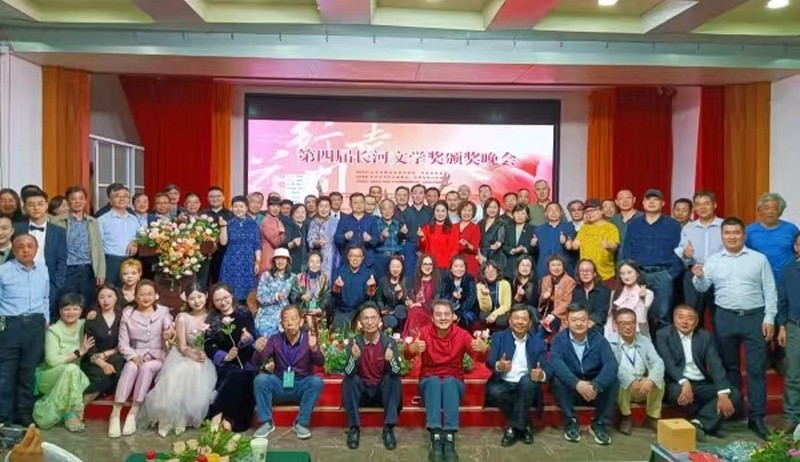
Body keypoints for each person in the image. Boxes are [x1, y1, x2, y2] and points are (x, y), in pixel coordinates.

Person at [692, 217, 776, 439]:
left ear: (743, 235)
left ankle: (757, 418)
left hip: (755, 318)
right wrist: (699, 277)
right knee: (729, 367)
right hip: (725, 318)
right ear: (722, 236)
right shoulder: (713, 260)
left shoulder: (759, 259)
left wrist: (769, 318)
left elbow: (770, 289)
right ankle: (735, 410)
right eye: (727, 233)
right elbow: (703, 287)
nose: (732, 237)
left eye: (736, 232)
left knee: (756, 369)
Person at [405, 299, 489, 462]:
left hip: (454, 382)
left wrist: (484, 349)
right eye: (438, 314)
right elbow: (407, 355)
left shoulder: (462, 334)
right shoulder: (424, 332)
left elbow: (480, 357)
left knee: (449, 382)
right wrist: (412, 349)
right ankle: (435, 436)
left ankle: (449, 437)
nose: (443, 318)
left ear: (453, 317)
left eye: (446, 314)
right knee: (434, 381)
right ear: (432, 317)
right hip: (429, 382)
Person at [139, 283, 216, 437]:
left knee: (196, 370)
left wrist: (202, 355)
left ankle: (183, 418)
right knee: (180, 372)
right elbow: (182, 346)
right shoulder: (183, 317)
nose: (197, 301)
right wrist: (192, 355)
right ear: (186, 300)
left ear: (206, 296)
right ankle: (166, 418)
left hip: (205, 356)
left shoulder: (213, 317)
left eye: (200, 297)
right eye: (192, 298)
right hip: (184, 354)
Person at [655, 305, 741, 440]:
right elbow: (668, 363)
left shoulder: (705, 336)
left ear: (696, 322)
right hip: (676, 382)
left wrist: (722, 393)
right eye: (680, 317)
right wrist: (684, 382)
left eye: (690, 318)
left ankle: (698, 423)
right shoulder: (663, 334)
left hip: (701, 382)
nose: (684, 322)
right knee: (679, 394)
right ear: (674, 318)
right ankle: (707, 421)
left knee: (733, 394)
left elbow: (715, 364)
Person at [109, 280, 174, 438]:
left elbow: (169, 328)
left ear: (155, 295)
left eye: (150, 294)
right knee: (131, 366)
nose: (146, 298)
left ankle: (134, 411)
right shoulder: (128, 313)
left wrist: (170, 332)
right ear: (135, 296)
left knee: (147, 367)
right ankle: (115, 412)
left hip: (159, 356)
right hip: (136, 353)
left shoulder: (163, 311)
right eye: (142, 294)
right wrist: (133, 356)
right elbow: (123, 343)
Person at [252, 305, 325, 440]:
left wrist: (314, 349)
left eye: (293, 318)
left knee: (316, 382)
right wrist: (258, 351)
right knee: (260, 380)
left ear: (301, 321)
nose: (290, 323)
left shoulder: (308, 339)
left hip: (301, 386)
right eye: (286, 320)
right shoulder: (275, 339)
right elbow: (257, 362)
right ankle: (266, 423)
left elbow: (321, 363)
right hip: (279, 384)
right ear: (281, 325)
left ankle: (301, 423)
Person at [550, 304, 618, 445]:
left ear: (588, 321)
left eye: (582, 319)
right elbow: (556, 364)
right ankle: (570, 421)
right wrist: (576, 383)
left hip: (594, 389)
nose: (579, 323)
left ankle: (600, 423)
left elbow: (611, 364)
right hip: (572, 388)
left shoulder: (599, 339)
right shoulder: (559, 340)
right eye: (574, 320)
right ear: (567, 322)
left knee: (614, 380)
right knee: (557, 380)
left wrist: (596, 385)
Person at [0, 235, 49, 427]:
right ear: (14, 250)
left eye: (30, 246)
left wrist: (45, 318)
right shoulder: (3, 271)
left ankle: (24, 414)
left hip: (35, 325)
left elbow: (45, 297)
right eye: (21, 246)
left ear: (36, 248)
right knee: (6, 373)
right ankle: (4, 417)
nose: (26, 250)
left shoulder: (43, 269)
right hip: (10, 325)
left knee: (28, 373)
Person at [485, 305, 550, 447]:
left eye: (524, 319)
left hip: (527, 384)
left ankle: (513, 429)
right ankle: (524, 425)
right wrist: (499, 365)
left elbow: (547, 366)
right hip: (504, 382)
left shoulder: (538, 341)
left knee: (527, 382)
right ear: (510, 321)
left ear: (530, 323)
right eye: (516, 318)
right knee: (494, 391)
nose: (520, 322)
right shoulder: (499, 337)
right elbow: (490, 361)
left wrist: (541, 374)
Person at [342, 303, 402, 450]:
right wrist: (353, 358)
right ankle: (354, 428)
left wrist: (391, 360)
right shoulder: (355, 342)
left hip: (381, 392)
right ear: (360, 322)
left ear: (380, 321)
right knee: (350, 380)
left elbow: (396, 372)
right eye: (366, 318)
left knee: (392, 379)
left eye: (373, 318)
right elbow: (348, 372)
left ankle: (388, 429)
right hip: (362, 392)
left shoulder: (389, 342)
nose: (369, 322)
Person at [621, 189, 681, 330]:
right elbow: (627, 250)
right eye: (648, 199)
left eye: (656, 199)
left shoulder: (673, 225)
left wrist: (670, 275)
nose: (652, 202)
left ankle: (661, 345)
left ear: (663, 203)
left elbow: (679, 251)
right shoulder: (633, 225)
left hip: (663, 274)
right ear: (643, 203)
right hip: (639, 275)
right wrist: (629, 274)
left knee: (662, 316)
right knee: (638, 314)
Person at [32, 293, 91, 431]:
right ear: (60, 311)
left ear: (81, 310)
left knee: (73, 371)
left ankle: (70, 413)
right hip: (48, 376)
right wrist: (78, 352)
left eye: (75, 309)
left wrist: (94, 314)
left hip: (73, 376)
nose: (71, 313)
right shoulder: (53, 330)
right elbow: (51, 361)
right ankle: (70, 414)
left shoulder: (84, 325)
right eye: (67, 309)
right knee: (71, 369)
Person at [205, 283, 259, 433]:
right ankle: (223, 417)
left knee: (246, 375)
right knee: (235, 375)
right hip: (226, 363)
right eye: (218, 300)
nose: (223, 302)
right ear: (213, 302)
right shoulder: (212, 319)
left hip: (245, 358)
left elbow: (253, 336)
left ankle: (226, 417)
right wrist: (226, 357)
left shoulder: (244, 313)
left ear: (232, 296)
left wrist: (245, 340)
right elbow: (208, 346)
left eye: (225, 298)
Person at [607, 308, 664, 435]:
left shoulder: (644, 341)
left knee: (659, 378)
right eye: (623, 323)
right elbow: (613, 366)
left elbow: (658, 362)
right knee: (619, 380)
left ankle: (652, 416)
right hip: (624, 388)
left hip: (643, 385)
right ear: (615, 325)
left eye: (631, 323)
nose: (628, 327)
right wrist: (630, 380)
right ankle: (626, 416)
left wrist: (650, 380)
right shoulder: (609, 343)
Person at [16, 189, 67, 318]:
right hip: (20, 281)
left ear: (46, 205)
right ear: (25, 208)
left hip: (48, 282)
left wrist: (57, 285)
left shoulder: (59, 231)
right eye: (31, 205)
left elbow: (62, 260)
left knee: (47, 318)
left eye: (40, 204)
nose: (36, 208)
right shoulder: (16, 229)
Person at [675, 190, 723, 327]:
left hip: (719, 275)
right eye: (698, 204)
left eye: (706, 203)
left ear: (714, 205)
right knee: (692, 316)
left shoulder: (724, 226)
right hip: (694, 273)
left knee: (720, 317)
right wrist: (686, 255)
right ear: (695, 208)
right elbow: (683, 256)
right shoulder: (688, 229)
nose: (702, 207)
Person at [53, 185, 105, 310]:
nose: (77, 202)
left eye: (81, 198)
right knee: (66, 303)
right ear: (67, 201)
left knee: (86, 303)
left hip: (87, 269)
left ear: (85, 201)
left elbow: (98, 248)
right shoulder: (57, 221)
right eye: (73, 199)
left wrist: (100, 272)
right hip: (66, 269)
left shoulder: (92, 221)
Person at [81, 285, 125, 405]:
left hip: (115, 357)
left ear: (116, 298)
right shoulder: (92, 319)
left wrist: (106, 354)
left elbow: (125, 343)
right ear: (97, 299)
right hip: (94, 360)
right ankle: (82, 404)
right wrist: (103, 364)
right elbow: (90, 348)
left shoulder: (123, 317)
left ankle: (103, 391)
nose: (106, 301)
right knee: (104, 377)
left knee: (119, 363)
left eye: (109, 296)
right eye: (101, 297)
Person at [218, 196, 262, 303]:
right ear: (231, 208)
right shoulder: (228, 223)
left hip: (248, 262)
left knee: (249, 292)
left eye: (241, 206)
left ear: (246, 208)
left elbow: (257, 244)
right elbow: (223, 242)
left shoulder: (253, 224)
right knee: (229, 291)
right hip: (231, 261)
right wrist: (223, 226)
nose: (238, 209)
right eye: (235, 206)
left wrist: (257, 262)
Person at [568, 199, 619, 286]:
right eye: (587, 212)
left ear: (601, 211)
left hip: (606, 274)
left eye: (592, 210)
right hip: (587, 274)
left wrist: (608, 245)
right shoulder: (584, 228)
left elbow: (615, 246)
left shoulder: (611, 227)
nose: (589, 214)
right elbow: (576, 245)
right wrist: (569, 244)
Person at [96, 185, 139, 287]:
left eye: (125, 196)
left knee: (129, 290)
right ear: (110, 200)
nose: (121, 198)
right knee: (110, 290)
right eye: (117, 196)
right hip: (111, 261)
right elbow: (97, 246)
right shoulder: (102, 220)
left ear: (129, 200)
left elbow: (140, 236)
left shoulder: (134, 219)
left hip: (130, 261)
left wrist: (135, 242)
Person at [778, 233, 800, 432]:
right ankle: (792, 418)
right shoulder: (789, 270)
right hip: (795, 327)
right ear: (796, 247)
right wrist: (782, 327)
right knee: (793, 375)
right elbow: (782, 300)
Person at [332, 245, 376, 332]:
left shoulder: (367, 273)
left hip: (359, 309)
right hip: (343, 309)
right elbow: (335, 294)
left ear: (362, 258)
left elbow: (369, 296)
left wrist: (371, 287)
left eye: (358, 256)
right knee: (339, 332)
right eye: (352, 256)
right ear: (348, 257)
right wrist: (337, 287)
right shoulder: (340, 271)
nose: (355, 259)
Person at [604, 261, 653, 339]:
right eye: (622, 274)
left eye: (629, 272)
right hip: (616, 335)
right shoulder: (615, 293)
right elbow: (610, 317)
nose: (626, 276)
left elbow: (642, 319)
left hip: (638, 335)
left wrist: (642, 299)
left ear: (637, 273)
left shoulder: (648, 293)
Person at [255, 247, 296, 337]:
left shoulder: (293, 277)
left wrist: (302, 292)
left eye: (283, 258)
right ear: (274, 261)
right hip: (267, 316)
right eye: (278, 258)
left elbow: (295, 297)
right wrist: (276, 296)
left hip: (285, 316)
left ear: (287, 261)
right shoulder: (266, 275)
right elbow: (260, 297)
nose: (280, 261)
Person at [533, 202, 577, 281]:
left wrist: (565, 242)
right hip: (544, 269)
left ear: (561, 213)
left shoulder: (569, 227)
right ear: (545, 213)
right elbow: (536, 252)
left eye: (556, 210)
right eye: (550, 210)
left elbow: (573, 248)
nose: (553, 212)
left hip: (564, 268)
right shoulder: (539, 230)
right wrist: (534, 245)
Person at [402, 254, 441, 337]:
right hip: (414, 309)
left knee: (414, 310)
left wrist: (421, 305)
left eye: (430, 264)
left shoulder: (437, 281)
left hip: (429, 311)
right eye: (425, 264)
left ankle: (415, 337)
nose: (427, 267)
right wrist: (409, 301)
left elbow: (436, 302)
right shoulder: (415, 279)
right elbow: (409, 294)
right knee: (413, 310)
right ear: (420, 265)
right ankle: (414, 337)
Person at [335, 193, 377, 269]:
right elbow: (337, 240)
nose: (358, 205)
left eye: (361, 202)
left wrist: (370, 239)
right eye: (355, 203)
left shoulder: (372, 220)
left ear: (364, 203)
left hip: (367, 262)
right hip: (348, 262)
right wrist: (345, 237)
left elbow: (377, 239)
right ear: (350, 205)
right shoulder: (344, 220)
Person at [291, 252, 332, 328]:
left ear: (321, 264)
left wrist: (320, 308)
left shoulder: (324, 278)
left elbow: (328, 295)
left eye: (317, 262)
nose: (314, 265)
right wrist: (301, 296)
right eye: (312, 262)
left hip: (319, 313)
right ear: (307, 263)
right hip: (303, 313)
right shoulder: (299, 278)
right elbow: (293, 295)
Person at [203, 187, 233, 285]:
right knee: (203, 281)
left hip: (224, 253)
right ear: (207, 199)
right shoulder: (202, 214)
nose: (215, 199)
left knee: (221, 282)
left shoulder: (231, 215)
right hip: (205, 254)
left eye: (218, 196)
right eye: (212, 196)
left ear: (224, 198)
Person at [538, 255, 576, 335]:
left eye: (559, 265)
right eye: (553, 265)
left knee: (547, 328)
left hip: (560, 315)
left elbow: (567, 302)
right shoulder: (545, 279)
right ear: (549, 267)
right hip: (545, 312)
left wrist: (553, 314)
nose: (556, 268)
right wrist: (544, 297)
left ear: (563, 267)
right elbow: (541, 302)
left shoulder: (570, 281)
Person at [402, 184, 433, 281]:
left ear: (425, 195)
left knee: (427, 274)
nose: (418, 195)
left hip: (427, 246)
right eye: (415, 193)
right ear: (411, 195)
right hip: (410, 246)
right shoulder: (405, 212)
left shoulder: (431, 211)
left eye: (421, 193)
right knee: (410, 274)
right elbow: (401, 233)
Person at [419, 201, 459, 274]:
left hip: (447, 266)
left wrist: (451, 265)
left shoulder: (453, 229)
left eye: (443, 211)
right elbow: (423, 248)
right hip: (431, 266)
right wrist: (421, 238)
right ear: (434, 212)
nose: (440, 213)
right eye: (437, 211)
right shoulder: (426, 228)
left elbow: (455, 249)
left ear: (447, 213)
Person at [439, 256, 478, 329]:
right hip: (449, 309)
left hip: (466, 310)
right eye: (456, 266)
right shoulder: (446, 280)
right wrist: (453, 297)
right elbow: (443, 298)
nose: (459, 269)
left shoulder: (469, 279)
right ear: (451, 269)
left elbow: (471, 299)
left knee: (467, 317)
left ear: (465, 268)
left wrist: (458, 313)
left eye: (461, 266)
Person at [572, 259, 611, 331]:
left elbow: (601, 314)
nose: (585, 273)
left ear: (594, 273)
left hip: (596, 327)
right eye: (582, 271)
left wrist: (583, 325)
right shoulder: (576, 290)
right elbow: (574, 310)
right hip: (578, 325)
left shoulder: (603, 290)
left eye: (588, 270)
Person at [373, 199, 407, 280]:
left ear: (394, 210)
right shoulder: (375, 224)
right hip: (381, 259)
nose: (387, 211)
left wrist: (403, 235)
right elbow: (372, 243)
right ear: (380, 211)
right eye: (384, 209)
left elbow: (403, 243)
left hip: (395, 259)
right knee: (381, 283)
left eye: (390, 208)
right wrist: (381, 237)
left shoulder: (398, 224)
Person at [307, 196, 339, 280]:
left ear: (330, 207)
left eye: (326, 206)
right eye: (321, 206)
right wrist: (316, 242)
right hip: (318, 258)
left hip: (334, 257)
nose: (323, 209)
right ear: (317, 208)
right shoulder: (313, 222)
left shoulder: (336, 221)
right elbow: (310, 239)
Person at [374, 255, 410, 331]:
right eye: (392, 266)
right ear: (389, 267)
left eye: (398, 266)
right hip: (388, 311)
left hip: (401, 312)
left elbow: (408, 302)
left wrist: (401, 296)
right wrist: (382, 309)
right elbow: (379, 299)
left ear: (402, 267)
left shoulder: (407, 281)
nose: (395, 269)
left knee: (400, 311)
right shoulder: (383, 281)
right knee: (390, 321)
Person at [477, 260, 512, 329]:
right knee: (482, 316)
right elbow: (484, 308)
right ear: (484, 275)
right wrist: (485, 295)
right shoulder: (480, 286)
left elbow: (506, 305)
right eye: (487, 272)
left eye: (493, 271)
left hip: (502, 312)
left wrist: (494, 315)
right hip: (488, 312)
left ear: (497, 273)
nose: (490, 274)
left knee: (501, 321)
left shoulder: (505, 284)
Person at [502, 204, 535, 278]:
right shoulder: (507, 229)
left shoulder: (533, 229)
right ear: (513, 214)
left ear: (527, 216)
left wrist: (525, 249)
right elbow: (504, 245)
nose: (520, 216)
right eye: (517, 213)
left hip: (527, 265)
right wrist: (512, 250)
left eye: (523, 213)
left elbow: (536, 248)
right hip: (511, 265)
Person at [611, 189, 643, 255]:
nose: (625, 201)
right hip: (618, 259)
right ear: (616, 202)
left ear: (634, 200)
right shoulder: (613, 220)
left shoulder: (644, 218)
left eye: (628, 198)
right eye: (621, 199)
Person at [477, 198, 506, 270]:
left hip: (495, 257)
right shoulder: (480, 223)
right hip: (480, 257)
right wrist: (479, 255)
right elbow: (477, 242)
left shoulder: (501, 223)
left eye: (494, 207)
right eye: (489, 207)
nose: (492, 210)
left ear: (498, 209)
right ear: (485, 209)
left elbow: (500, 240)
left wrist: (497, 244)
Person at [259, 196, 286, 273]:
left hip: (274, 255)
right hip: (268, 255)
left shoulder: (275, 219)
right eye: (273, 206)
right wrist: (282, 232)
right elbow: (276, 242)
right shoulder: (267, 221)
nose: (275, 209)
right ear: (268, 207)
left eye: (278, 206)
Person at [455, 202, 480, 278]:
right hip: (455, 262)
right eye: (464, 210)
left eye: (469, 210)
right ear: (460, 211)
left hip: (470, 262)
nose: (467, 213)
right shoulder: (453, 227)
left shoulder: (475, 228)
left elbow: (475, 248)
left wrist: (467, 244)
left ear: (473, 213)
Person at [284, 204, 309, 273]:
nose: (300, 215)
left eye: (303, 212)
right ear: (292, 214)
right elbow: (282, 246)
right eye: (297, 212)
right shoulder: (287, 226)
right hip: (291, 263)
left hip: (305, 263)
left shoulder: (307, 227)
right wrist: (292, 244)